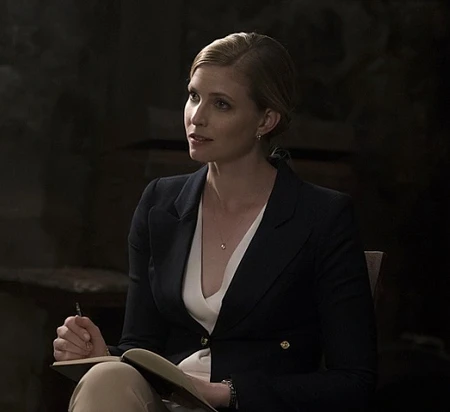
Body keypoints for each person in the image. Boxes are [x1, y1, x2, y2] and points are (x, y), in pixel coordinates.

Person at [53, 32, 377, 412]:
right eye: (193, 96)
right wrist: (102, 355)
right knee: (104, 377)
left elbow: (354, 381)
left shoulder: (321, 217)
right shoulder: (159, 203)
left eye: (221, 104)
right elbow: (141, 346)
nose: (197, 117)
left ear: (266, 119)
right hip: (162, 402)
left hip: (251, 405)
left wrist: (224, 392)